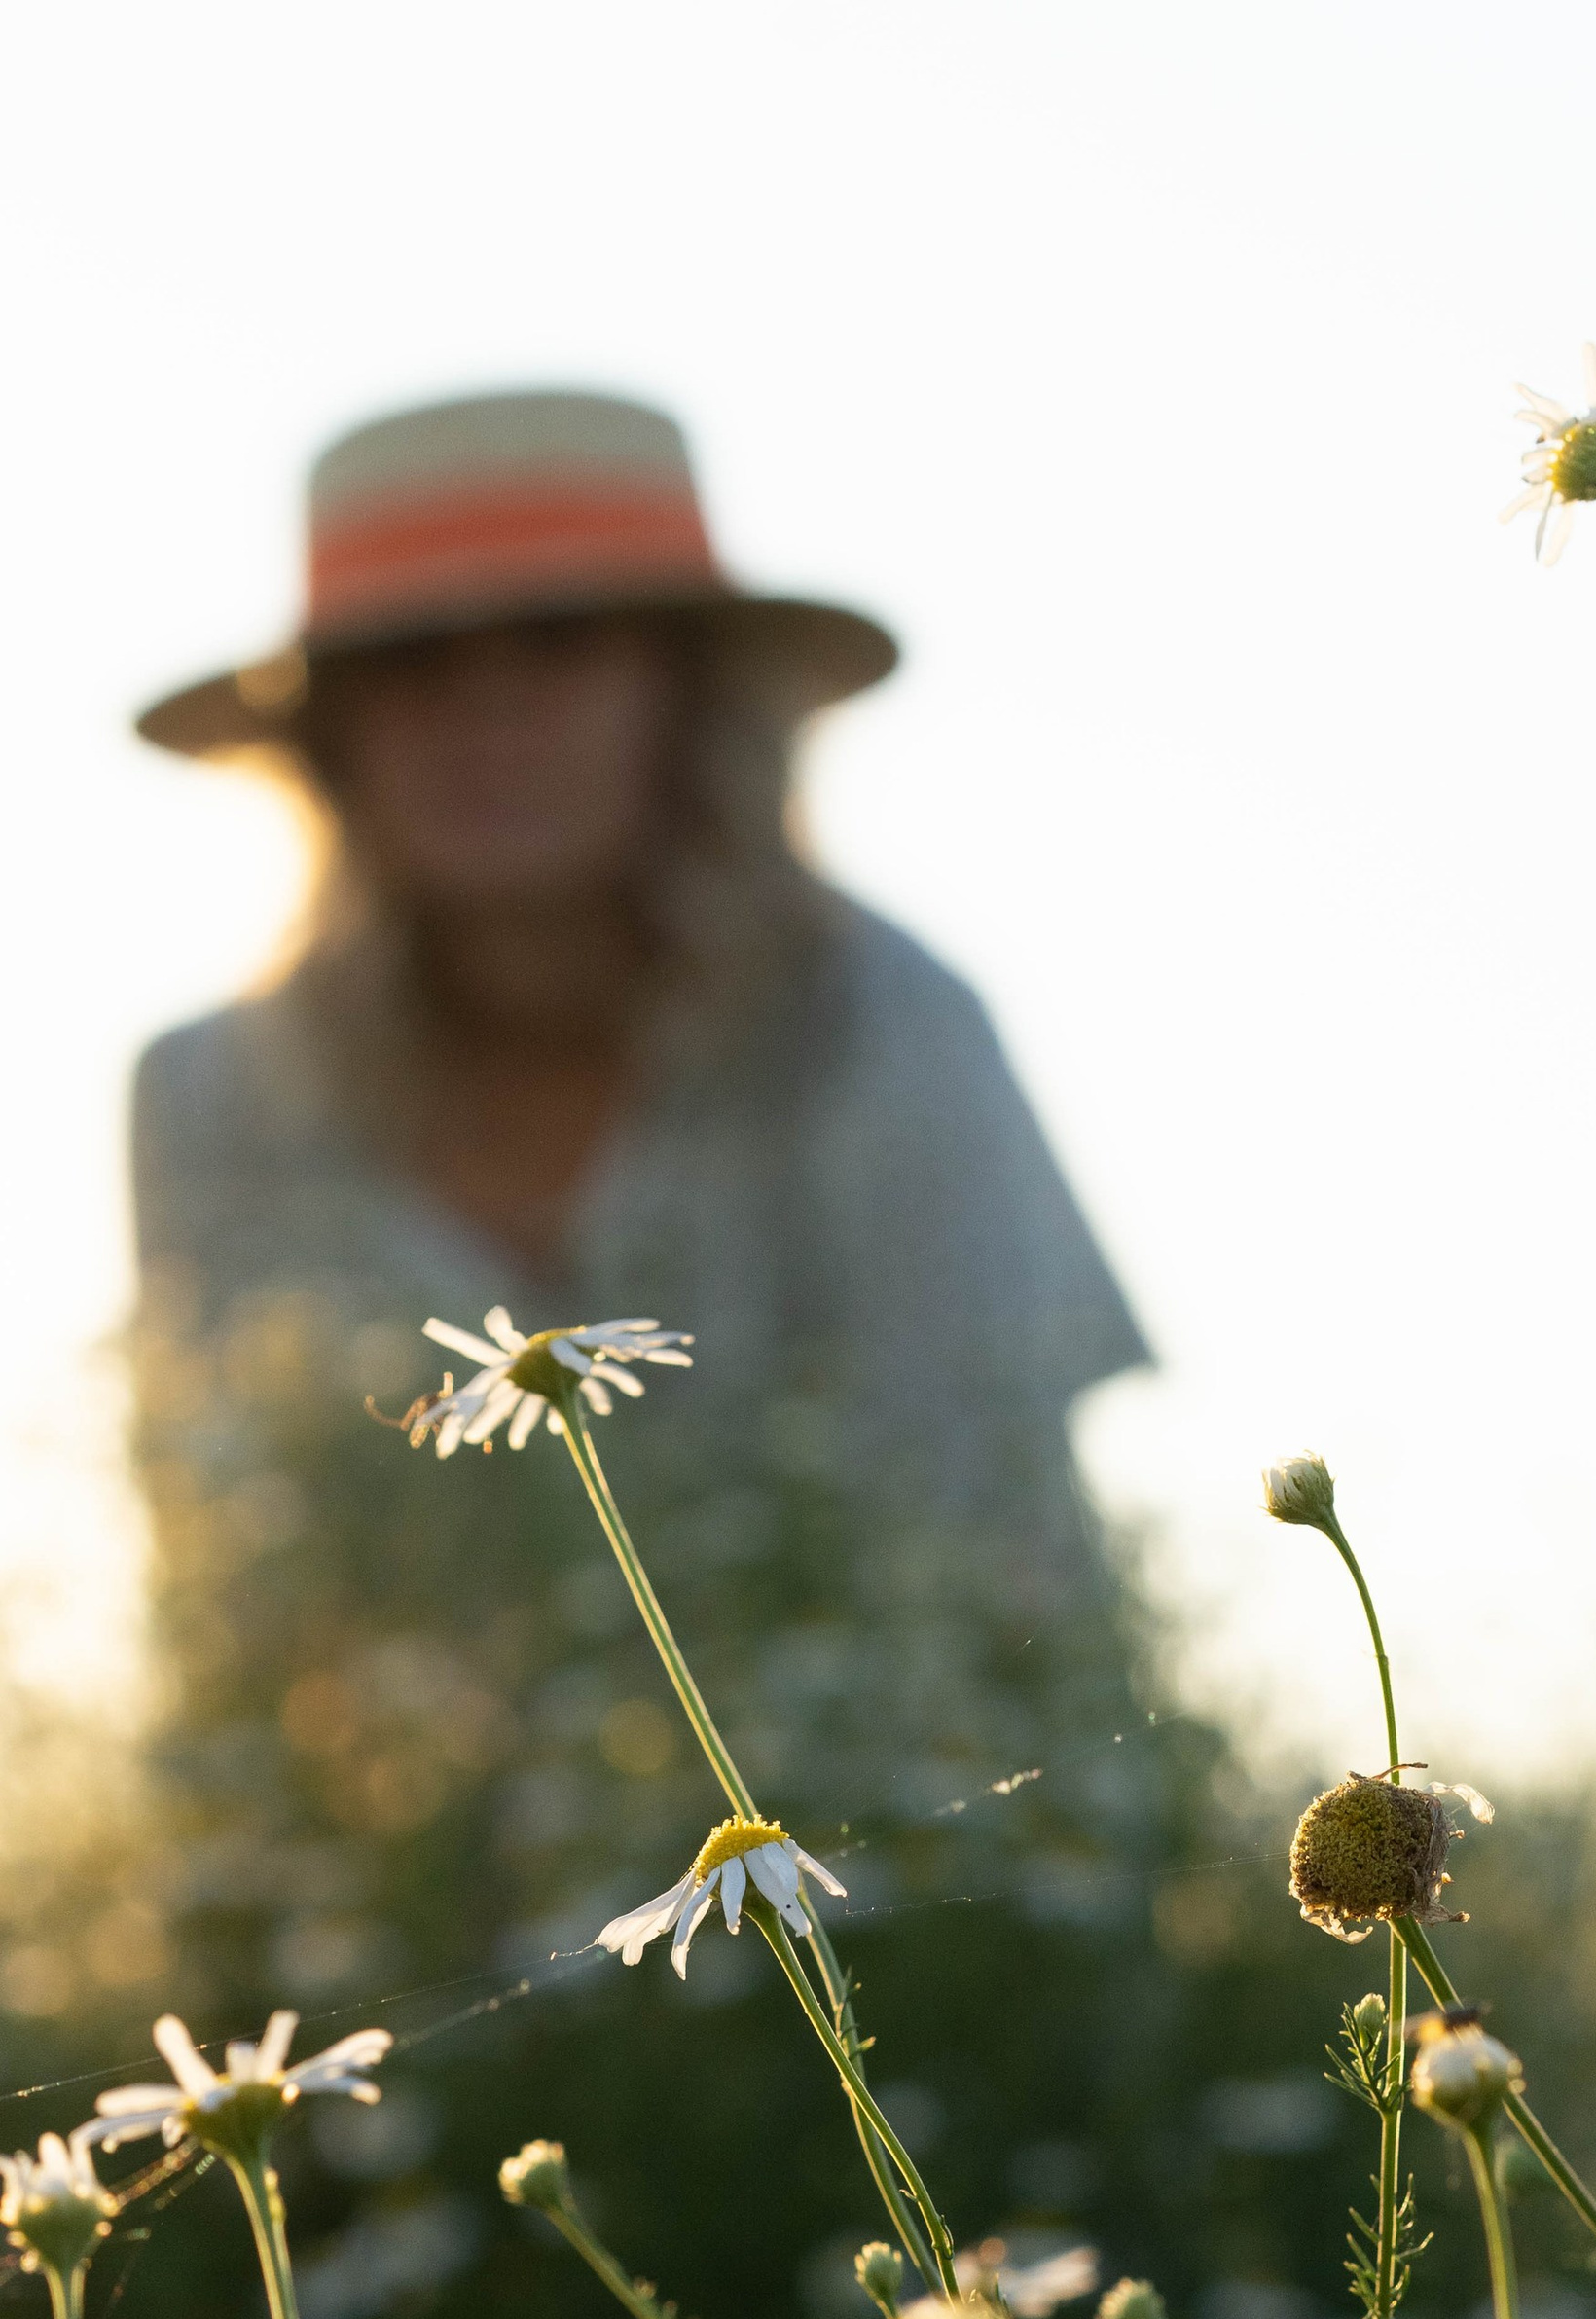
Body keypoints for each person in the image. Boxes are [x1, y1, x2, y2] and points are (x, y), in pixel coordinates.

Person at [128, 388, 1152, 2034]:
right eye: (413, 665)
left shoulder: (890, 1027)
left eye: (555, 641)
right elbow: (230, 1608)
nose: (486, 712)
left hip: (904, 1925)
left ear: (688, 694)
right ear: (329, 734)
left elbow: (1001, 1551)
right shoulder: (204, 1099)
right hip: (408, 1962)